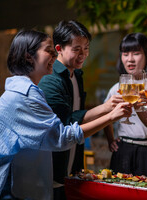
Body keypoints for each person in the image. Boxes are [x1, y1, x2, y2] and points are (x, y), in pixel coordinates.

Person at [0, 30, 132, 200]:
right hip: (1, 187)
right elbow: (62, 138)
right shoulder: (26, 94)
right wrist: (111, 117)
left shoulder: (19, 88)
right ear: (29, 56)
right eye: (49, 51)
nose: (55, 56)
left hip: (9, 181)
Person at [38, 20, 124, 199]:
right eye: (77, 49)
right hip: (51, 168)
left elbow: (79, 117)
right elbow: (66, 123)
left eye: (86, 48)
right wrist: (107, 110)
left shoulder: (76, 74)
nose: (83, 54)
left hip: (73, 165)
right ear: (59, 48)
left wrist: (107, 109)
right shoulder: (50, 79)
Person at [103, 33, 147, 177]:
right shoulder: (116, 87)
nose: (130, 59)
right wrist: (110, 139)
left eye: (136, 53)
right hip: (124, 150)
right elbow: (104, 115)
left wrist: (135, 100)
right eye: (125, 54)